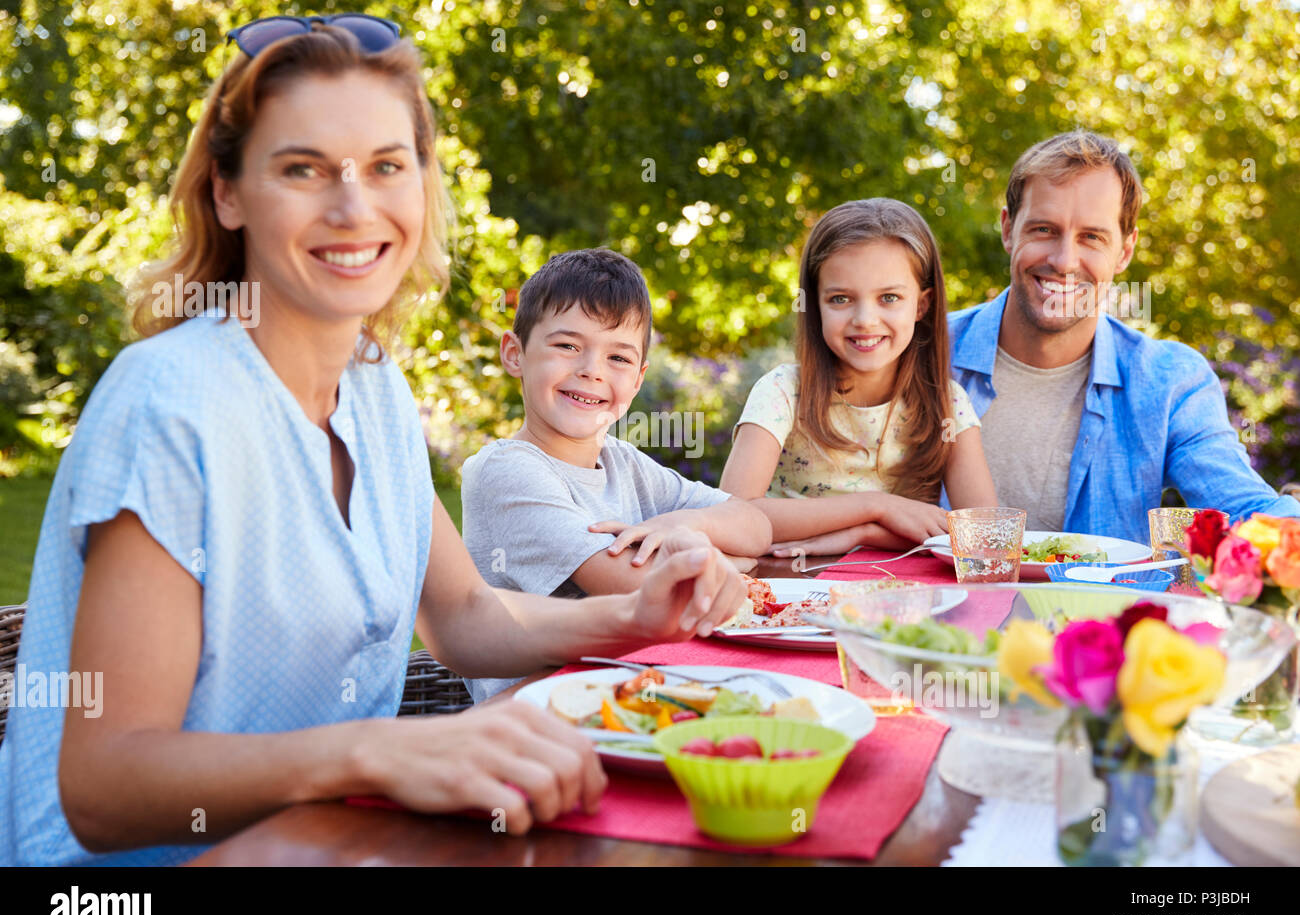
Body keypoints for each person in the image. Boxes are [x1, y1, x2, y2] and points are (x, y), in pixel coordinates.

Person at [0, 16, 745, 866]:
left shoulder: (375, 389)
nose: (354, 208)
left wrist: (631, 616)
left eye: (388, 166)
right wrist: (372, 753)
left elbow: (462, 616)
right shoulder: (172, 405)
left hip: (333, 843)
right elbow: (105, 788)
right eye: (303, 168)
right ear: (228, 192)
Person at [947, 130, 1300, 540]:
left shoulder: (1169, 381)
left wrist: (1289, 530)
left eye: (1091, 237)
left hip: (1105, 606)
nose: (1064, 261)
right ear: (1009, 230)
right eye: (1044, 229)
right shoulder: (923, 352)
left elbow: (1245, 507)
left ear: (1125, 251)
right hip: (934, 604)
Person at [460, 248, 772, 702]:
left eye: (619, 359)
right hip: (541, 712)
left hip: (633, 685)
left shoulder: (623, 462)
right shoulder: (506, 471)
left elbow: (755, 526)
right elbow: (668, 596)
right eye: (567, 346)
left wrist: (676, 528)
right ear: (515, 354)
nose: (591, 371)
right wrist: (721, 563)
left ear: (639, 378)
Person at [721, 198, 998, 557]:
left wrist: (864, 534)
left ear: (921, 305)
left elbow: (987, 537)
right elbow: (732, 513)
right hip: (792, 592)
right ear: (813, 304)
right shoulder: (783, 392)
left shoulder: (947, 403)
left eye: (889, 297)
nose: (865, 319)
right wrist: (876, 507)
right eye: (840, 299)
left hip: (907, 599)